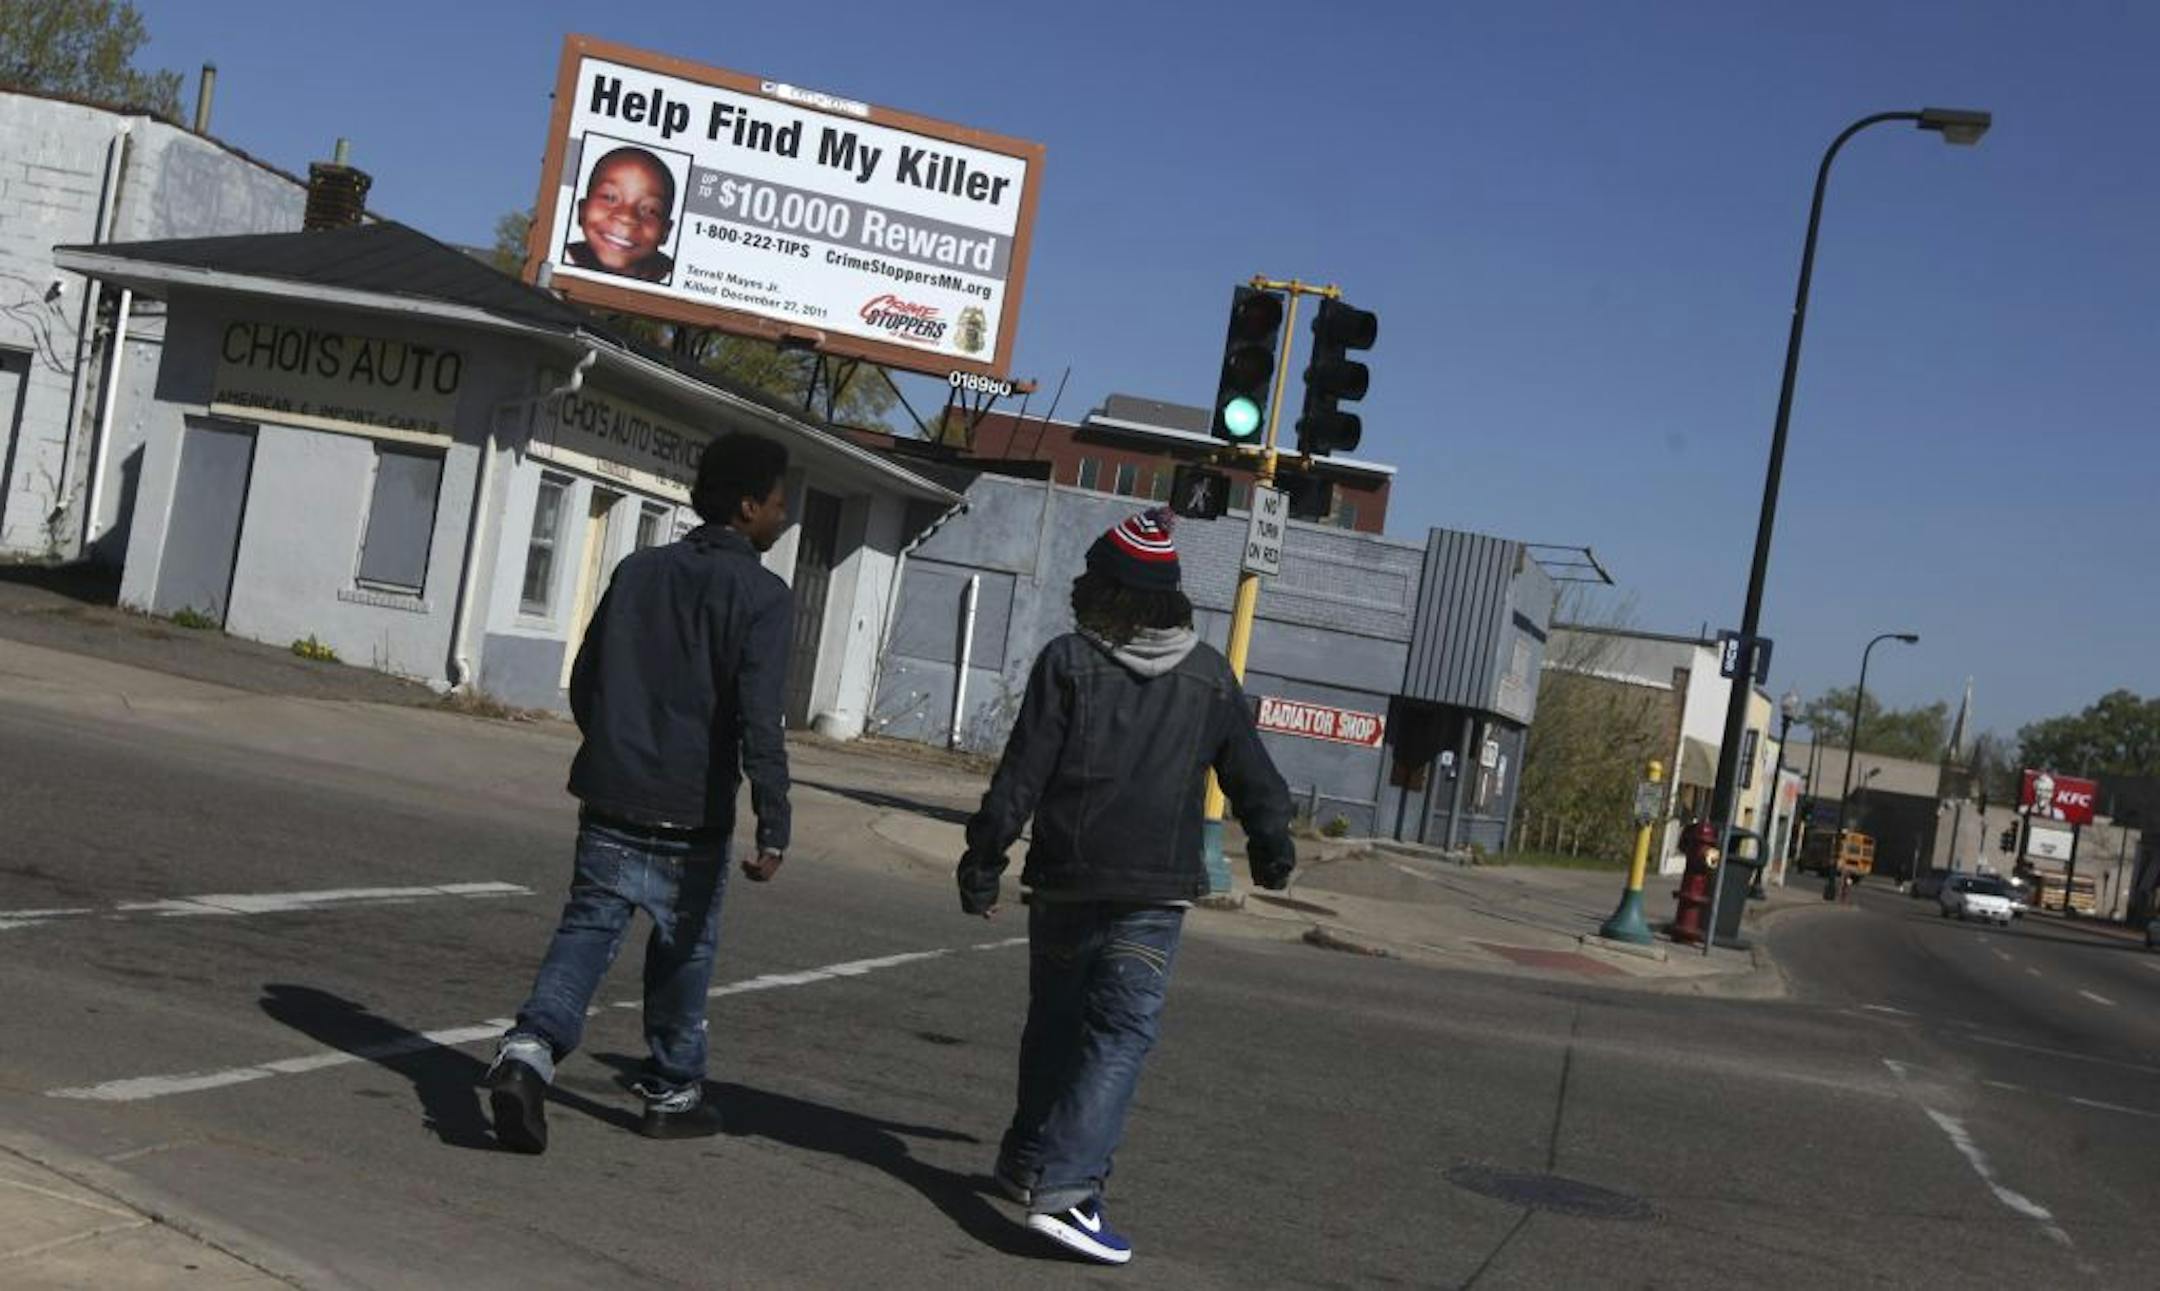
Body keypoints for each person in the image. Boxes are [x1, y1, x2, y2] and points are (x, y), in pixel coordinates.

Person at [957, 508, 1296, 1266]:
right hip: (1151, 892)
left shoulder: (1067, 660)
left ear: (1111, 592)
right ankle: (1069, 1191)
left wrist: (984, 860)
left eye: (1089, 580)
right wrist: (1274, 846)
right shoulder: (1209, 675)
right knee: (1116, 1035)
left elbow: (1021, 777)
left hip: (1065, 882)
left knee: (1054, 1023)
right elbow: (1252, 774)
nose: (1078, 592)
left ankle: (1027, 1156)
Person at [481, 431, 794, 1153]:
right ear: (747, 507)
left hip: (613, 797)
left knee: (586, 932)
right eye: (779, 504)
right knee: (684, 951)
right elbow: (759, 717)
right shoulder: (763, 596)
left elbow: (589, 678)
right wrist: (773, 820)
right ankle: (672, 1089)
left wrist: (615, 748)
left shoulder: (638, 570)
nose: (783, 518)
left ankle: (528, 1055)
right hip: (693, 814)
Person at [563, 144, 678, 283]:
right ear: (582, 210)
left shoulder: (676, 279)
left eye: (650, 210)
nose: (626, 217)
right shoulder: (560, 259)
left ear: (665, 232)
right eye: (610, 198)